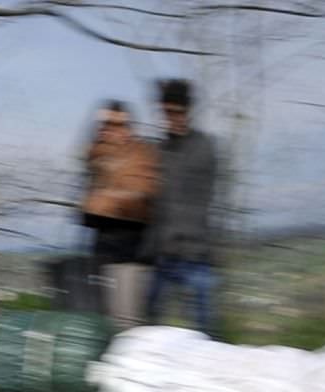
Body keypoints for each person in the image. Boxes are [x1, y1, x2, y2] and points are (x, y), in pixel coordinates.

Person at [144, 78, 220, 337]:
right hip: (163, 254)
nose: (172, 118)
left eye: (177, 112)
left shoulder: (204, 147)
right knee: (149, 327)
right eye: (167, 112)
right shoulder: (159, 150)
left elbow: (197, 198)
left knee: (203, 330)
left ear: (187, 111)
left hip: (195, 254)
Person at [80, 100, 157, 332]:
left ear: (127, 127)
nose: (108, 130)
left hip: (131, 254)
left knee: (127, 325)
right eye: (104, 125)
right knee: (102, 323)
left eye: (115, 124)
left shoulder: (141, 155)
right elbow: (88, 211)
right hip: (102, 251)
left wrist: (103, 201)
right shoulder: (99, 160)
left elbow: (138, 199)